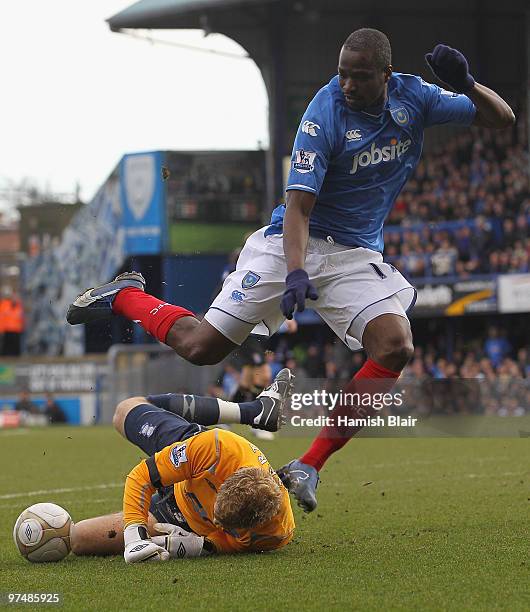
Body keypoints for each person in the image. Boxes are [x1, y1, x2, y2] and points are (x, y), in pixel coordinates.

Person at [67, 29, 514, 512]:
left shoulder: (415, 97)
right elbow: (298, 208)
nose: (346, 84)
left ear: (385, 75)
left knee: (396, 346)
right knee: (201, 348)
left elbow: (502, 119)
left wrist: (467, 84)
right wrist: (297, 272)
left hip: (354, 255)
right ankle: (126, 295)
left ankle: (307, 465)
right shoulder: (324, 114)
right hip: (289, 244)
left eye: (358, 77)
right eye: (342, 73)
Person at [70, 369, 295, 562]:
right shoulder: (215, 450)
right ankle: (253, 411)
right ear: (225, 481)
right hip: (189, 461)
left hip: (183, 523)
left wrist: (193, 545)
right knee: (124, 410)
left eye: (223, 524)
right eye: (216, 512)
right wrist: (134, 537)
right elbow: (141, 476)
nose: (216, 521)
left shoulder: (274, 534)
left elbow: (226, 544)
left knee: (80, 538)